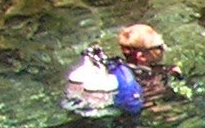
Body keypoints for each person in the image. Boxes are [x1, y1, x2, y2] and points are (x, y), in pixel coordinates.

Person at [61, 23, 191, 117]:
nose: (164, 48)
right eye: (159, 47)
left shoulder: (118, 69)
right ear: (141, 56)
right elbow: (150, 105)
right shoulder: (151, 79)